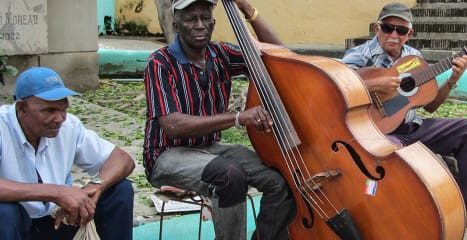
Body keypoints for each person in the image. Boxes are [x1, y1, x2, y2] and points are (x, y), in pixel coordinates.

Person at [342, 2, 467, 229]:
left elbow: (429, 106)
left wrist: (452, 80)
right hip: (376, 133)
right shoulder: (359, 55)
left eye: (401, 30)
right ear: (377, 28)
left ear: (409, 34)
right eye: (388, 28)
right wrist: (374, 84)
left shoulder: (414, 58)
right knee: (389, 154)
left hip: (411, 129)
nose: (394, 35)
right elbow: (336, 88)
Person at [142, 0, 296, 239]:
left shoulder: (221, 54)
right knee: (229, 175)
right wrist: (237, 117)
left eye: (205, 18)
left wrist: (248, 10)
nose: (200, 25)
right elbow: (173, 125)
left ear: (213, 23)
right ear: (176, 24)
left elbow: (279, 54)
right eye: (191, 19)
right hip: (166, 155)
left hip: (210, 149)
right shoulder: (160, 62)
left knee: (281, 179)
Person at [0, 67, 136, 239]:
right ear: (22, 108)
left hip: (56, 220)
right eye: (49, 111)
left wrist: (94, 186)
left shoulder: (69, 126)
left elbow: (122, 159)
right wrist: (56, 192)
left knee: (119, 189)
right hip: (13, 226)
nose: (59, 119)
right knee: (4, 212)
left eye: (63, 109)